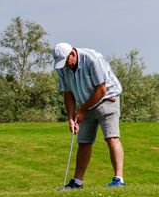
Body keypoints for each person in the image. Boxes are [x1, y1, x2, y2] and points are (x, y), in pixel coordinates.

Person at [53, 42, 126, 189]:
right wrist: (71, 117)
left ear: (72, 53)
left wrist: (82, 111)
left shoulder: (93, 59)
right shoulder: (62, 67)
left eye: (66, 61)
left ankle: (119, 179)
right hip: (85, 103)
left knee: (111, 138)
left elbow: (101, 90)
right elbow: (67, 93)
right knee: (84, 142)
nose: (65, 66)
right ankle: (77, 182)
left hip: (107, 100)